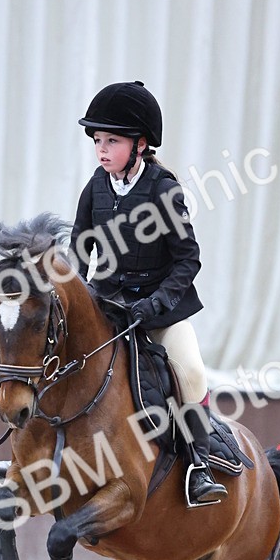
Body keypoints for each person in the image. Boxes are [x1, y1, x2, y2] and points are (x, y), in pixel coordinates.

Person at [71, 80, 226, 507]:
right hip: (111, 305)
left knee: (191, 372)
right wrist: (78, 295)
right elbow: (81, 250)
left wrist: (157, 303)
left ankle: (199, 465)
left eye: (112, 141)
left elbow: (188, 259)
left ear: (140, 144)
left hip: (161, 311)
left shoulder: (163, 190)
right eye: (98, 140)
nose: (101, 149)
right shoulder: (96, 188)